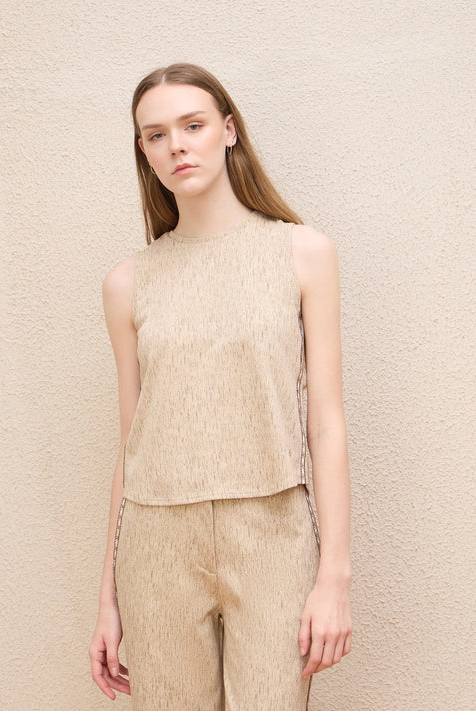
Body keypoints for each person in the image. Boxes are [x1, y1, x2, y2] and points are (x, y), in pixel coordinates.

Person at [89, 62, 352, 710]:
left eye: (193, 125)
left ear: (228, 130)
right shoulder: (128, 282)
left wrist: (334, 576)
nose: (176, 145)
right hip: (155, 543)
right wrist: (108, 600)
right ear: (143, 150)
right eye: (155, 135)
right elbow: (131, 444)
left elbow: (325, 424)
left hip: (272, 534)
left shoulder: (303, 253)